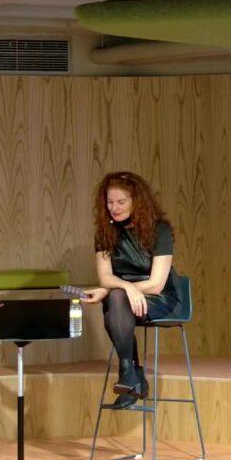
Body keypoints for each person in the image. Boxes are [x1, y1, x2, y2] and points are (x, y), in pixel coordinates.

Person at [80, 172, 182, 409]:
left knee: (114, 299)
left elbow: (156, 283)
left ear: (137, 201)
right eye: (109, 202)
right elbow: (105, 277)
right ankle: (130, 374)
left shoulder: (160, 230)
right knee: (116, 298)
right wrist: (124, 288)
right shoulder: (105, 232)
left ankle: (130, 374)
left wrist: (116, 290)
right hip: (123, 299)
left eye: (121, 202)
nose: (114, 208)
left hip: (160, 297)